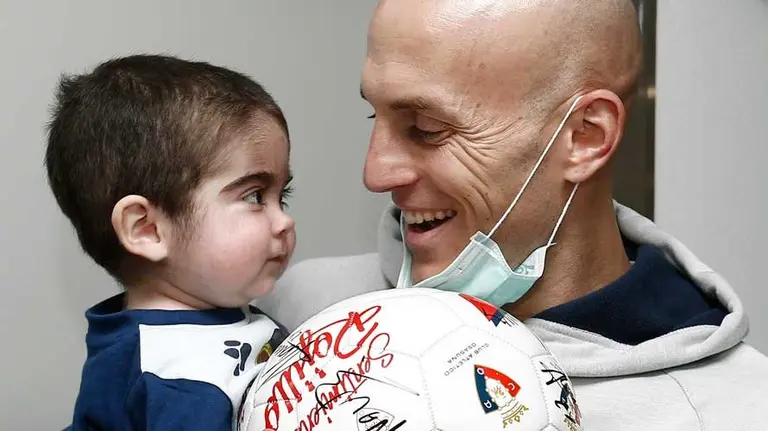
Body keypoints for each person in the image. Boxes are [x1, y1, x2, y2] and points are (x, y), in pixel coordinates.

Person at [259, 0, 768, 429]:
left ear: (584, 137)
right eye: (377, 114)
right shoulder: (299, 311)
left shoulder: (734, 411)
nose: (376, 172)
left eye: (428, 128)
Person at [47, 54, 296, 430]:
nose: (284, 221)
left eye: (283, 197)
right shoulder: (174, 376)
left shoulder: (215, 321)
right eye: (253, 196)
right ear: (147, 229)